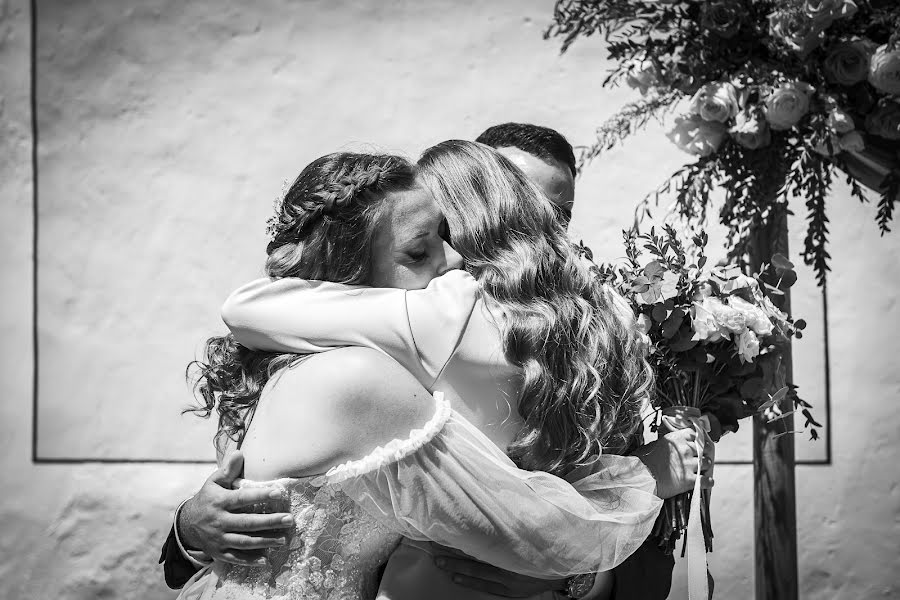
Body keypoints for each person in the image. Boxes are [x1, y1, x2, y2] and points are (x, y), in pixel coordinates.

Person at [160, 131, 704, 598]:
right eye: (425, 247)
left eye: (557, 214)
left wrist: (571, 583)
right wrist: (191, 526)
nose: (457, 263)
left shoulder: (563, 347)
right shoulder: (388, 355)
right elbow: (537, 529)